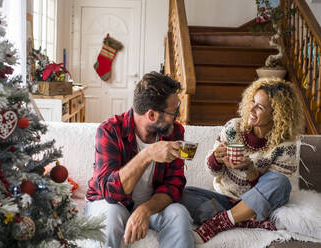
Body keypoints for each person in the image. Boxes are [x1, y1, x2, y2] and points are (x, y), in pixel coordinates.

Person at [181, 78, 305, 243]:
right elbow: (213, 171)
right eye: (252, 102)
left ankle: (219, 223)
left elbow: (274, 189)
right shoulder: (233, 128)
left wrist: (250, 170)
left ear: (277, 114)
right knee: (182, 194)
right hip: (225, 200)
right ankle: (245, 221)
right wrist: (216, 159)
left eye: (259, 107)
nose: (251, 109)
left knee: (281, 182)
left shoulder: (285, 146)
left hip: (261, 206)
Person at [85, 72, 194, 248]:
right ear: (152, 115)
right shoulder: (110, 130)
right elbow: (111, 192)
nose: (177, 118)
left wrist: (145, 209)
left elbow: (175, 184)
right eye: (173, 113)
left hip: (152, 205)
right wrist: (147, 154)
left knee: (178, 213)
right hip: (111, 203)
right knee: (110, 217)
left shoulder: (174, 132)